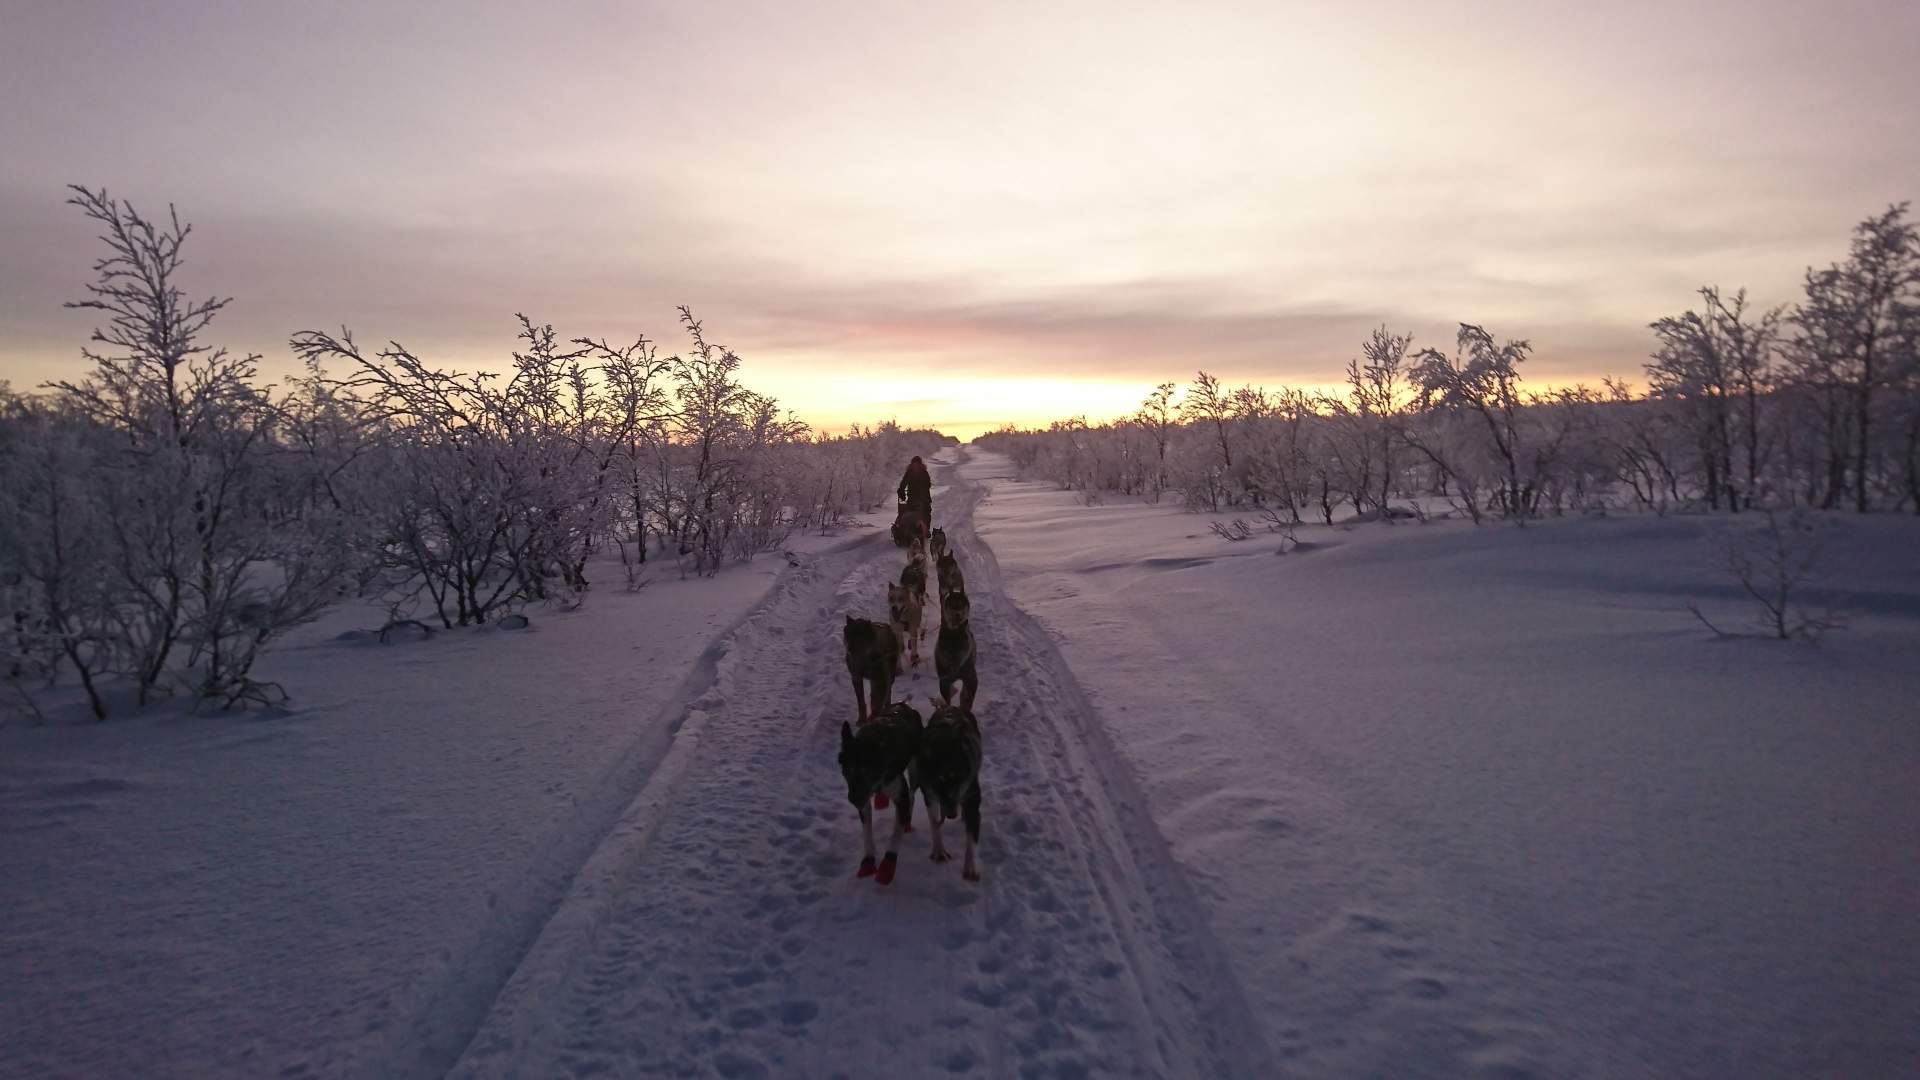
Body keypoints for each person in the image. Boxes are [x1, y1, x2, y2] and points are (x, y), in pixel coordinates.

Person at [898, 456, 932, 534]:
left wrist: (922, 488)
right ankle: (910, 529)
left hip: (924, 499)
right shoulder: (909, 473)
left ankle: (926, 530)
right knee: (910, 514)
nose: (915, 466)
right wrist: (901, 492)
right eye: (914, 464)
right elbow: (903, 484)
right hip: (913, 498)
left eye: (917, 464)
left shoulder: (924, 473)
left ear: (920, 464)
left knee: (926, 513)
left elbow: (928, 484)